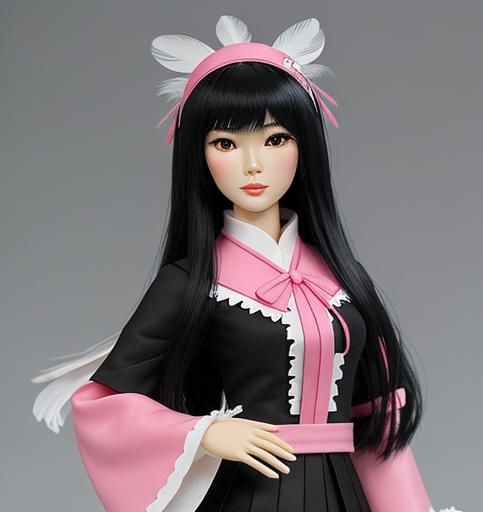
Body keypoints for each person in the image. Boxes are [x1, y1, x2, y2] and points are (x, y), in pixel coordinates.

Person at [31, 14, 459, 512]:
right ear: (199, 155)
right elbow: (101, 404)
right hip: (249, 496)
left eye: (275, 139)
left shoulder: (344, 280)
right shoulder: (192, 282)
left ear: (305, 146)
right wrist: (205, 432)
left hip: (343, 497)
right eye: (226, 144)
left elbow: (379, 425)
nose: (252, 164)